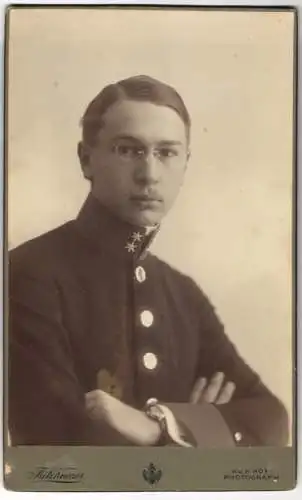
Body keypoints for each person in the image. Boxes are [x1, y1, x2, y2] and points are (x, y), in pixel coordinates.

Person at [9, 75, 289, 447]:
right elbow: (58, 444)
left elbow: (271, 419)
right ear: (86, 159)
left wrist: (162, 427)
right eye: (128, 150)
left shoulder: (183, 295)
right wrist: (203, 436)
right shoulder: (27, 275)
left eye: (167, 152)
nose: (149, 175)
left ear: (185, 164)